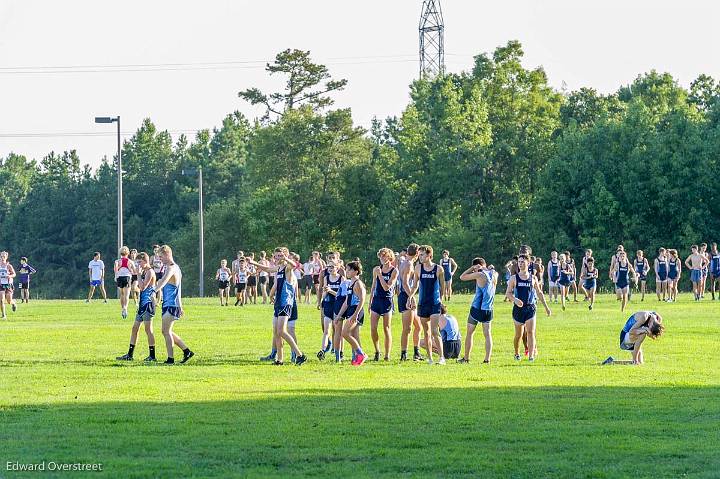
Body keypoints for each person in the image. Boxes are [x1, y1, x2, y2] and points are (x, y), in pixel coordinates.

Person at [248, 248, 307, 366]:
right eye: (276, 256)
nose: (277, 258)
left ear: (285, 256)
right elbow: (267, 269)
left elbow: (295, 265)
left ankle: (300, 355)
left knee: (282, 331)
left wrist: (286, 259)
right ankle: (280, 359)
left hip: (286, 302)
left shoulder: (287, 268)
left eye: (280, 256)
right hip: (278, 302)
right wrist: (253, 263)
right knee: (276, 333)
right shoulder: (278, 268)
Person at [505, 254, 552, 361]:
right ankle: (517, 353)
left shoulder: (533, 278)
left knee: (530, 332)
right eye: (519, 262)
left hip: (530, 308)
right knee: (519, 335)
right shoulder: (514, 278)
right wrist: (515, 300)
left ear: (528, 263)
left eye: (523, 262)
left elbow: (539, 293)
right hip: (518, 309)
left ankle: (531, 356)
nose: (520, 264)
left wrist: (546, 307)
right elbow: (508, 293)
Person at [153, 245, 194, 364]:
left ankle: (170, 359)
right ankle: (187, 351)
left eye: (161, 257)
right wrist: (180, 305)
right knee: (167, 331)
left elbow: (164, 280)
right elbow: (178, 289)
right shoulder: (173, 267)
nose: (160, 260)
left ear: (167, 254)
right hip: (170, 304)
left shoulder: (172, 268)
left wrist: (154, 290)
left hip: (171, 305)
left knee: (166, 331)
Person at [409, 245, 447, 365]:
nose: (420, 257)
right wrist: (410, 296)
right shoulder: (418, 268)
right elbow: (415, 285)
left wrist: (440, 299)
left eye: (422, 254)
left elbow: (443, 286)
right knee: (426, 332)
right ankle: (430, 358)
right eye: (419, 254)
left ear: (429, 255)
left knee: (435, 331)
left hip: (434, 303)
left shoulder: (438, 268)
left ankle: (442, 358)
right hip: (422, 303)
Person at [116, 252, 157, 362]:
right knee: (135, 329)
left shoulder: (150, 272)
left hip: (148, 304)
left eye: (139, 262)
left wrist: (138, 275)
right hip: (142, 304)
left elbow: (142, 287)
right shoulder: (144, 271)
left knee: (148, 330)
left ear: (145, 261)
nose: (138, 264)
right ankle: (130, 354)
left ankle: (152, 356)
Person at [458, 257, 496, 363]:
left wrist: (472, 268)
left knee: (470, 333)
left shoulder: (479, 275)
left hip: (477, 308)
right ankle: (487, 359)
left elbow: (462, 277)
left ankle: (466, 358)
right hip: (488, 309)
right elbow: (492, 271)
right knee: (487, 334)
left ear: (477, 266)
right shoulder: (494, 274)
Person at [369, 248, 398, 361]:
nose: (382, 258)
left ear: (389, 257)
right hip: (376, 300)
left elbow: (387, 287)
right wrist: (370, 301)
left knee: (386, 328)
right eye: (380, 256)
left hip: (387, 300)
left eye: (384, 256)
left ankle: (387, 355)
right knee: (373, 328)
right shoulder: (376, 269)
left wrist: (380, 275)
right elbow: (373, 285)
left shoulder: (394, 271)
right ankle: (377, 351)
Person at [338, 260, 368, 366]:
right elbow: (347, 301)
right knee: (355, 336)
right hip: (351, 310)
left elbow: (362, 299)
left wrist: (355, 314)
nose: (347, 271)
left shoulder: (358, 284)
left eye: (349, 269)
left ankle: (361, 354)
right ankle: (358, 358)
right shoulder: (350, 283)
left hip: (356, 311)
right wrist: (339, 315)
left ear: (356, 271)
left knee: (345, 333)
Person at [398, 243, 424, 361]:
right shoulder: (408, 264)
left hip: (407, 295)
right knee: (407, 328)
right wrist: (411, 296)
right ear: (417, 253)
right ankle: (404, 354)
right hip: (405, 296)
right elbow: (404, 283)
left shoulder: (408, 263)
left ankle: (416, 352)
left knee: (418, 326)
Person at [316, 261, 341, 360]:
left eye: (332, 267)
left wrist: (330, 291)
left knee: (337, 330)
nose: (330, 269)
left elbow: (341, 295)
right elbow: (325, 291)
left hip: (337, 306)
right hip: (327, 305)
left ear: (337, 267)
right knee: (326, 330)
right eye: (329, 267)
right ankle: (322, 350)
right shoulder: (326, 278)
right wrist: (321, 300)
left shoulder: (341, 278)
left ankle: (337, 350)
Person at [114, 246, 136, 319]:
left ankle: (122, 308)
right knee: (127, 294)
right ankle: (125, 308)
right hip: (127, 277)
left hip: (119, 277)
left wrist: (116, 276)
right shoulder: (130, 261)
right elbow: (134, 271)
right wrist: (131, 271)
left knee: (122, 294)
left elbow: (115, 270)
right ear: (128, 253)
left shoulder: (117, 261)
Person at [0, 251, 17, 318]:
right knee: (1, 300)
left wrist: (9, 276)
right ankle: (3, 315)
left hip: (8, 285)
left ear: (6, 257)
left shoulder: (9, 266)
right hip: (1, 284)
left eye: (4, 257)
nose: (2, 258)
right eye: (1, 256)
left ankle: (13, 303)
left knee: (9, 301)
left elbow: (14, 274)